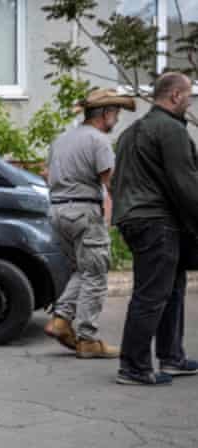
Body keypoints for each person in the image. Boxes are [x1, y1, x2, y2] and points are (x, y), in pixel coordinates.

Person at [111, 71, 198, 386]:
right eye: (188, 95)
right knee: (151, 295)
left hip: (135, 219)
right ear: (175, 96)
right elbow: (186, 184)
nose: (189, 101)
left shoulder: (131, 132)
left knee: (171, 289)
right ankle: (133, 367)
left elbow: (117, 183)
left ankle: (171, 357)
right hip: (156, 222)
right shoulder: (170, 130)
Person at [44, 89, 135, 358]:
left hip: (58, 212)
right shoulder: (98, 141)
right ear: (105, 114)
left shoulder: (61, 140)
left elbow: (50, 174)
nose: (116, 119)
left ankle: (61, 320)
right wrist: (121, 215)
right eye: (115, 114)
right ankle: (87, 339)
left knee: (81, 270)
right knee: (96, 274)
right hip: (84, 211)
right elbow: (111, 182)